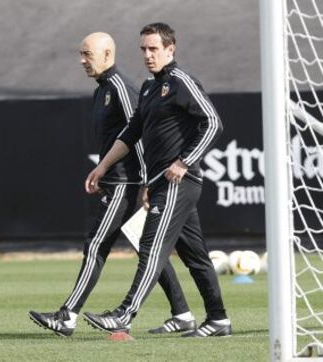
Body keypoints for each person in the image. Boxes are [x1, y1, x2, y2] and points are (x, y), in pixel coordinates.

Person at [28, 32, 196, 337]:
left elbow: (140, 134)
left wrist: (147, 182)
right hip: (115, 180)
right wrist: (100, 170)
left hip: (126, 183)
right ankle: (182, 313)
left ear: (108, 54)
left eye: (87, 55)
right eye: (80, 54)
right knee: (147, 251)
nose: (82, 61)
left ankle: (67, 317)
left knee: (95, 245)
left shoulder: (121, 88)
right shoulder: (101, 90)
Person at [83, 23, 231, 338]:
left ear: (170, 49)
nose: (148, 55)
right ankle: (218, 319)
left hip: (181, 180)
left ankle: (124, 314)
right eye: (143, 49)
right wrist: (103, 167)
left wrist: (184, 161)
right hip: (162, 182)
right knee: (195, 256)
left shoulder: (180, 81)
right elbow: (131, 132)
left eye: (154, 49)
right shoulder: (150, 88)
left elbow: (213, 122)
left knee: (151, 245)